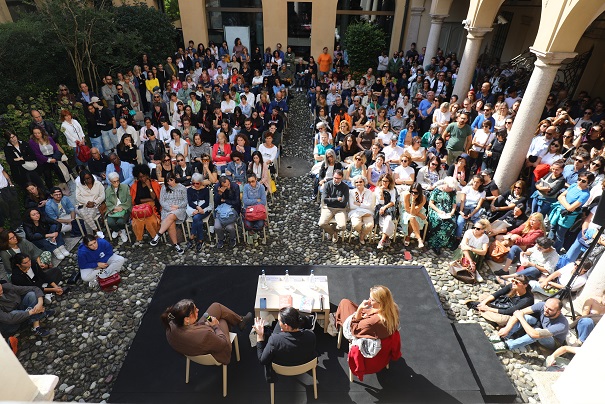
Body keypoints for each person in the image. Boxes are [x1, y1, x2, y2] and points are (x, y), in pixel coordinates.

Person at [161, 299, 252, 364]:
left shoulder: (171, 324)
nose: (198, 310)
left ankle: (240, 321)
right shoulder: (204, 335)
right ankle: (238, 323)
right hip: (220, 349)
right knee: (222, 320)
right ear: (187, 319)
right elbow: (223, 344)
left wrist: (204, 325)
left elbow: (194, 331)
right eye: (195, 310)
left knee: (216, 306)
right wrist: (215, 326)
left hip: (192, 343)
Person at [253, 306, 317, 382]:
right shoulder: (311, 335)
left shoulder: (275, 340)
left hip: (282, 367)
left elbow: (262, 360)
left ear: (286, 326)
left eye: (279, 321)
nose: (279, 322)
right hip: (304, 364)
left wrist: (260, 335)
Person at [493, 298, 569, 353]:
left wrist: (521, 318)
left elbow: (535, 334)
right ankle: (504, 336)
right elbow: (519, 313)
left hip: (553, 341)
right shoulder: (542, 305)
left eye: (550, 310)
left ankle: (508, 345)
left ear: (558, 312)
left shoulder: (562, 324)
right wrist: (507, 329)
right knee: (526, 317)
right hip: (540, 327)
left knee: (536, 330)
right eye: (546, 307)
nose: (546, 310)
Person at [466, 274, 534, 328]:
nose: (514, 283)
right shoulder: (512, 286)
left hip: (509, 313)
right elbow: (498, 293)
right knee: (483, 296)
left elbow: (508, 311)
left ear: (525, 285)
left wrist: (488, 308)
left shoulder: (527, 299)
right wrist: (484, 302)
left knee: (501, 320)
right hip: (501, 303)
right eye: (513, 281)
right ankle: (484, 310)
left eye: (516, 282)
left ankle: (480, 309)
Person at [548, 172, 593, 251]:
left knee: (559, 235)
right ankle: (547, 246)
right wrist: (566, 204)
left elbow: (570, 208)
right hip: (559, 211)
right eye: (579, 179)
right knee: (552, 229)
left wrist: (563, 200)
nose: (580, 182)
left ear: (588, 183)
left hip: (568, 217)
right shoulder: (573, 185)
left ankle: (555, 250)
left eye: (583, 181)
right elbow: (560, 197)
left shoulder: (585, 194)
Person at [335, 285, 400, 339]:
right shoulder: (392, 308)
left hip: (357, 330)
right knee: (346, 303)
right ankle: (338, 318)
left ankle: (337, 321)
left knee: (344, 304)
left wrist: (359, 309)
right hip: (373, 328)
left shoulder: (373, 321)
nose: (369, 300)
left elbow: (354, 329)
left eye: (372, 300)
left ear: (380, 303)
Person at [150, 173, 187, 254]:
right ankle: (176, 245)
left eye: (171, 180)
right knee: (171, 222)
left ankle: (158, 234)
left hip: (179, 209)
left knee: (171, 216)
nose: (170, 182)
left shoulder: (182, 188)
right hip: (167, 210)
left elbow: (185, 201)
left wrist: (177, 206)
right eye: (168, 181)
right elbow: (162, 201)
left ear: (175, 179)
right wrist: (169, 208)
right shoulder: (164, 188)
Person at [427, 176, 459, 255]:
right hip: (436, 210)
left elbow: (454, 204)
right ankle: (435, 243)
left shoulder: (452, 192)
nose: (450, 189)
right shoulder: (437, 190)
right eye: (449, 187)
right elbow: (431, 203)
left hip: (448, 212)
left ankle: (444, 242)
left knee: (452, 223)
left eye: (451, 188)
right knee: (440, 221)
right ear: (445, 184)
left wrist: (452, 212)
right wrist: (439, 211)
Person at [130, 164, 161, 242]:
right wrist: (149, 200)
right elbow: (136, 200)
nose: (143, 178)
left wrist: (149, 187)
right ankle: (140, 237)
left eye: (144, 176)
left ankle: (154, 236)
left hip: (152, 209)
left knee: (151, 220)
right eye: (140, 177)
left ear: (147, 175)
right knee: (138, 221)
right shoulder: (135, 186)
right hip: (139, 209)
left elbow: (155, 198)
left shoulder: (154, 184)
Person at [318, 169, 349, 243]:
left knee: (342, 226)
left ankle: (332, 230)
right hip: (328, 208)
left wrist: (330, 199)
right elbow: (324, 200)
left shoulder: (345, 187)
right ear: (332, 176)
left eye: (338, 178)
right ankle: (333, 233)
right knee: (321, 223)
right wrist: (337, 199)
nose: (336, 180)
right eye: (335, 178)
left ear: (342, 178)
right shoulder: (327, 185)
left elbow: (344, 202)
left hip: (340, 209)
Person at [75, 169, 106, 238]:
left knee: (87, 220)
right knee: (84, 213)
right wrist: (87, 202)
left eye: (89, 178)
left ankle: (91, 236)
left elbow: (102, 196)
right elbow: (78, 197)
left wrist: (94, 202)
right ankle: (97, 231)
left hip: (94, 206)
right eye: (86, 179)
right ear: (83, 179)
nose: (88, 180)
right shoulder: (79, 185)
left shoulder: (98, 184)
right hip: (82, 205)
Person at [214, 176, 241, 249]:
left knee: (230, 228)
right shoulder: (217, 187)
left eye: (228, 184)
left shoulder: (235, 186)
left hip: (232, 209)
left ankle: (232, 238)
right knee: (217, 227)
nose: (228, 187)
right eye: (226, 186)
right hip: (221, 210)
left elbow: (237, 202)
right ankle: (221, 238)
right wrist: (219, 193)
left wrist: (225, 201)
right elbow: (216, 202)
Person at [186, 173, 211, 252]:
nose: (195, 185)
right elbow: (190, 202)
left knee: (196, 218)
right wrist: (197, 208)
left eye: (197, 183)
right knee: (197, 220)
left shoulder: (205, 190)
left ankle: (192, 237)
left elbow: (207, 202)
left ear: (201, 182)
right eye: (193, 183)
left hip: (204, 208)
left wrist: (199, 209)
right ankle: (200, 240)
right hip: (194, 208)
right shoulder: (189, 190)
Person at [456, 175, 486, 240]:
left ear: (481, 183)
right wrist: (461, 211)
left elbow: (478, 205)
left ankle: (474, 239)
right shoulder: (466, 188)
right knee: (460, 221)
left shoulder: (483, 192)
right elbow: (462, 201)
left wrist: (471, 214)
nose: (475, 184)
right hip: (464, 209)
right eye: (474, 181)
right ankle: (458, 238)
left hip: (475, 211)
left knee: (480, 225)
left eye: (477, 182)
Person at [105, 172, 132, 243]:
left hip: (124, 209)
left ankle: (120, 229)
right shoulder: (108, 190)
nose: (116, 183)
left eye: (118, 181)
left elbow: (129, 199)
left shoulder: (125, 187)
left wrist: (122, 207)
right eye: (114, 182)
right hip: (113, 210)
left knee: (121, 222)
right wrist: (114, 208)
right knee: (110, 222)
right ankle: (119, 231)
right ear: (110, 182)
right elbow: (107, 202)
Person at [348, 175, 375, 245]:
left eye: (360, 182)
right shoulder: (351, 192)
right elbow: (351, 206)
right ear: (354, 183)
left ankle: (362, 236)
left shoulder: (369, 192)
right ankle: (362, 233)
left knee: (370, 225)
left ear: (364, 182)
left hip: (367, 212)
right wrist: (363, 205)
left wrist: (359, 204)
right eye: (356, 182)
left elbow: (369, 205)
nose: (359, 183)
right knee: (356, 225)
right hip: (355, 212)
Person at [374, 173, 398, 250]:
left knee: (388, 219)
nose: (384, 183)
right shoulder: (377, 189)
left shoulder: (392, 190)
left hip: (389, 207)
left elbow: (393, 202)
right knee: (382, 221)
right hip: (379, 207)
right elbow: (381, 201)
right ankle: (386, 238)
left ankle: (382, 240)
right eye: (383, 181)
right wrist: (381, 191)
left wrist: (384, 207)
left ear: (389, 182)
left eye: (386, 181)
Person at [400, 182, 427, 248]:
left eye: (416, 193)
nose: (413, 194)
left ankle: (408, 236)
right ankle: (419, 239)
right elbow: (408, 210)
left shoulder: (423, 198)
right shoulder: (407, 195)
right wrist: (413, 201)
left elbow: (414, 212)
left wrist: (413, 204)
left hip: (417, 211)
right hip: (406, 211)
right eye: (412, 192)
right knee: (412, 217)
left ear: (419, 193)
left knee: (412, 218)